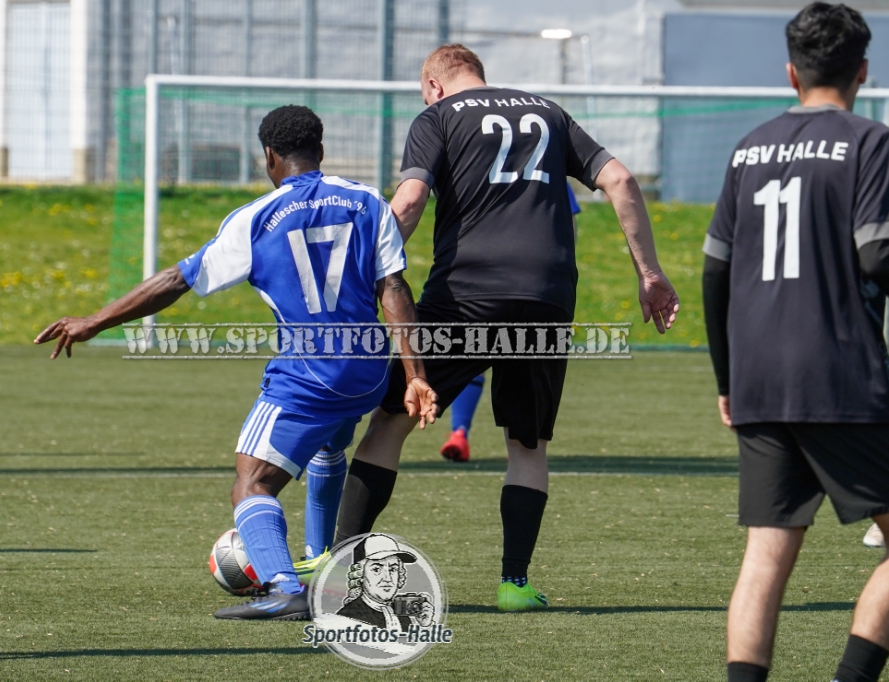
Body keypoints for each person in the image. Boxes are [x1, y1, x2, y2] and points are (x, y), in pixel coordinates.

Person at [35, 105, 438, 621]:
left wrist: (94, 320)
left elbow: (177, 280)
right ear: (321, 150)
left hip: (310, 374)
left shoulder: (255, 219)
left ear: (269, 156)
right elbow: (395, 288)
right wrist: (415, 376)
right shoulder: (368, 202)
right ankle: (319, 556)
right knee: (329, 441)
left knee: (252, 482)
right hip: (367, 370)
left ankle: (285, 587)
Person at [334, 44, 679, 612]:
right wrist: (650, 274)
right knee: (527, 444)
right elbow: (619, 179)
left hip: (465, 295)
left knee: (392, 420)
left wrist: (360, 273)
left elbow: (410, 200)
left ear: (433, 85)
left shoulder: (437, 118)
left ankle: (340, 567)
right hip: (546, 297)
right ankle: (514, 585)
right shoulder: (549, 111)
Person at [701, 5, 889, 681]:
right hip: (839, 372)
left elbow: (715, 271)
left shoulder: (749, 147)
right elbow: (876, 253)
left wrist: (728, 380)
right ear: (862, 71)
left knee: (765, 555)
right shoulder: (870, 143)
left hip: (758, 377)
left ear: (790, 73)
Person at [439, 184, 582, 463]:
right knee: (522, 374)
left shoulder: (475, 167)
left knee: (469, 357)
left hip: (477, 280)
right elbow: (569, 226)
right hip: (534, 286)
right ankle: (521, 448)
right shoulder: (549, 168)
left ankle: (459, 432)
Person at [337, 534, 434, 630]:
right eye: (376, 569)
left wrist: (425, 625)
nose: (387, 578)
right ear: (360, 574)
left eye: (393, 569)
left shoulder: (402, 614)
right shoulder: (348, 617)